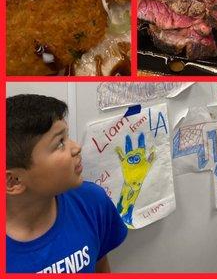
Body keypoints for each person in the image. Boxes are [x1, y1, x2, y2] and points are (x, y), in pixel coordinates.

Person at [6, 94, 128, 273]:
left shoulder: (92, 202)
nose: (76, 147)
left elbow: (99, 266)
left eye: (67, 136)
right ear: (13, 181)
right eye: (59, 143)